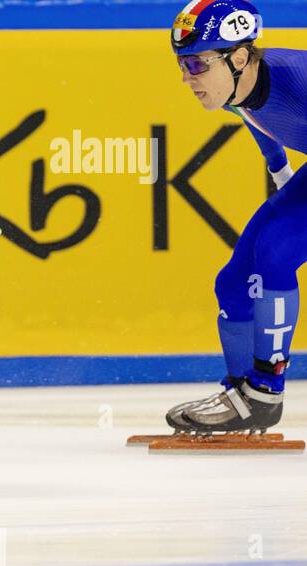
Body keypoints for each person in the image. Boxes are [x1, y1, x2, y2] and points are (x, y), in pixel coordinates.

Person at [167, 0, 302, 432]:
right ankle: (241, 392)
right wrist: (281, 173)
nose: (187, 79)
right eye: (182, 65)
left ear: (240, 57)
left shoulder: (296, 78)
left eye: (196, 65)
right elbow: (257, 122)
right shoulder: (236, 89)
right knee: (234, 284)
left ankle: (264, 394)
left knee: (275, 252)